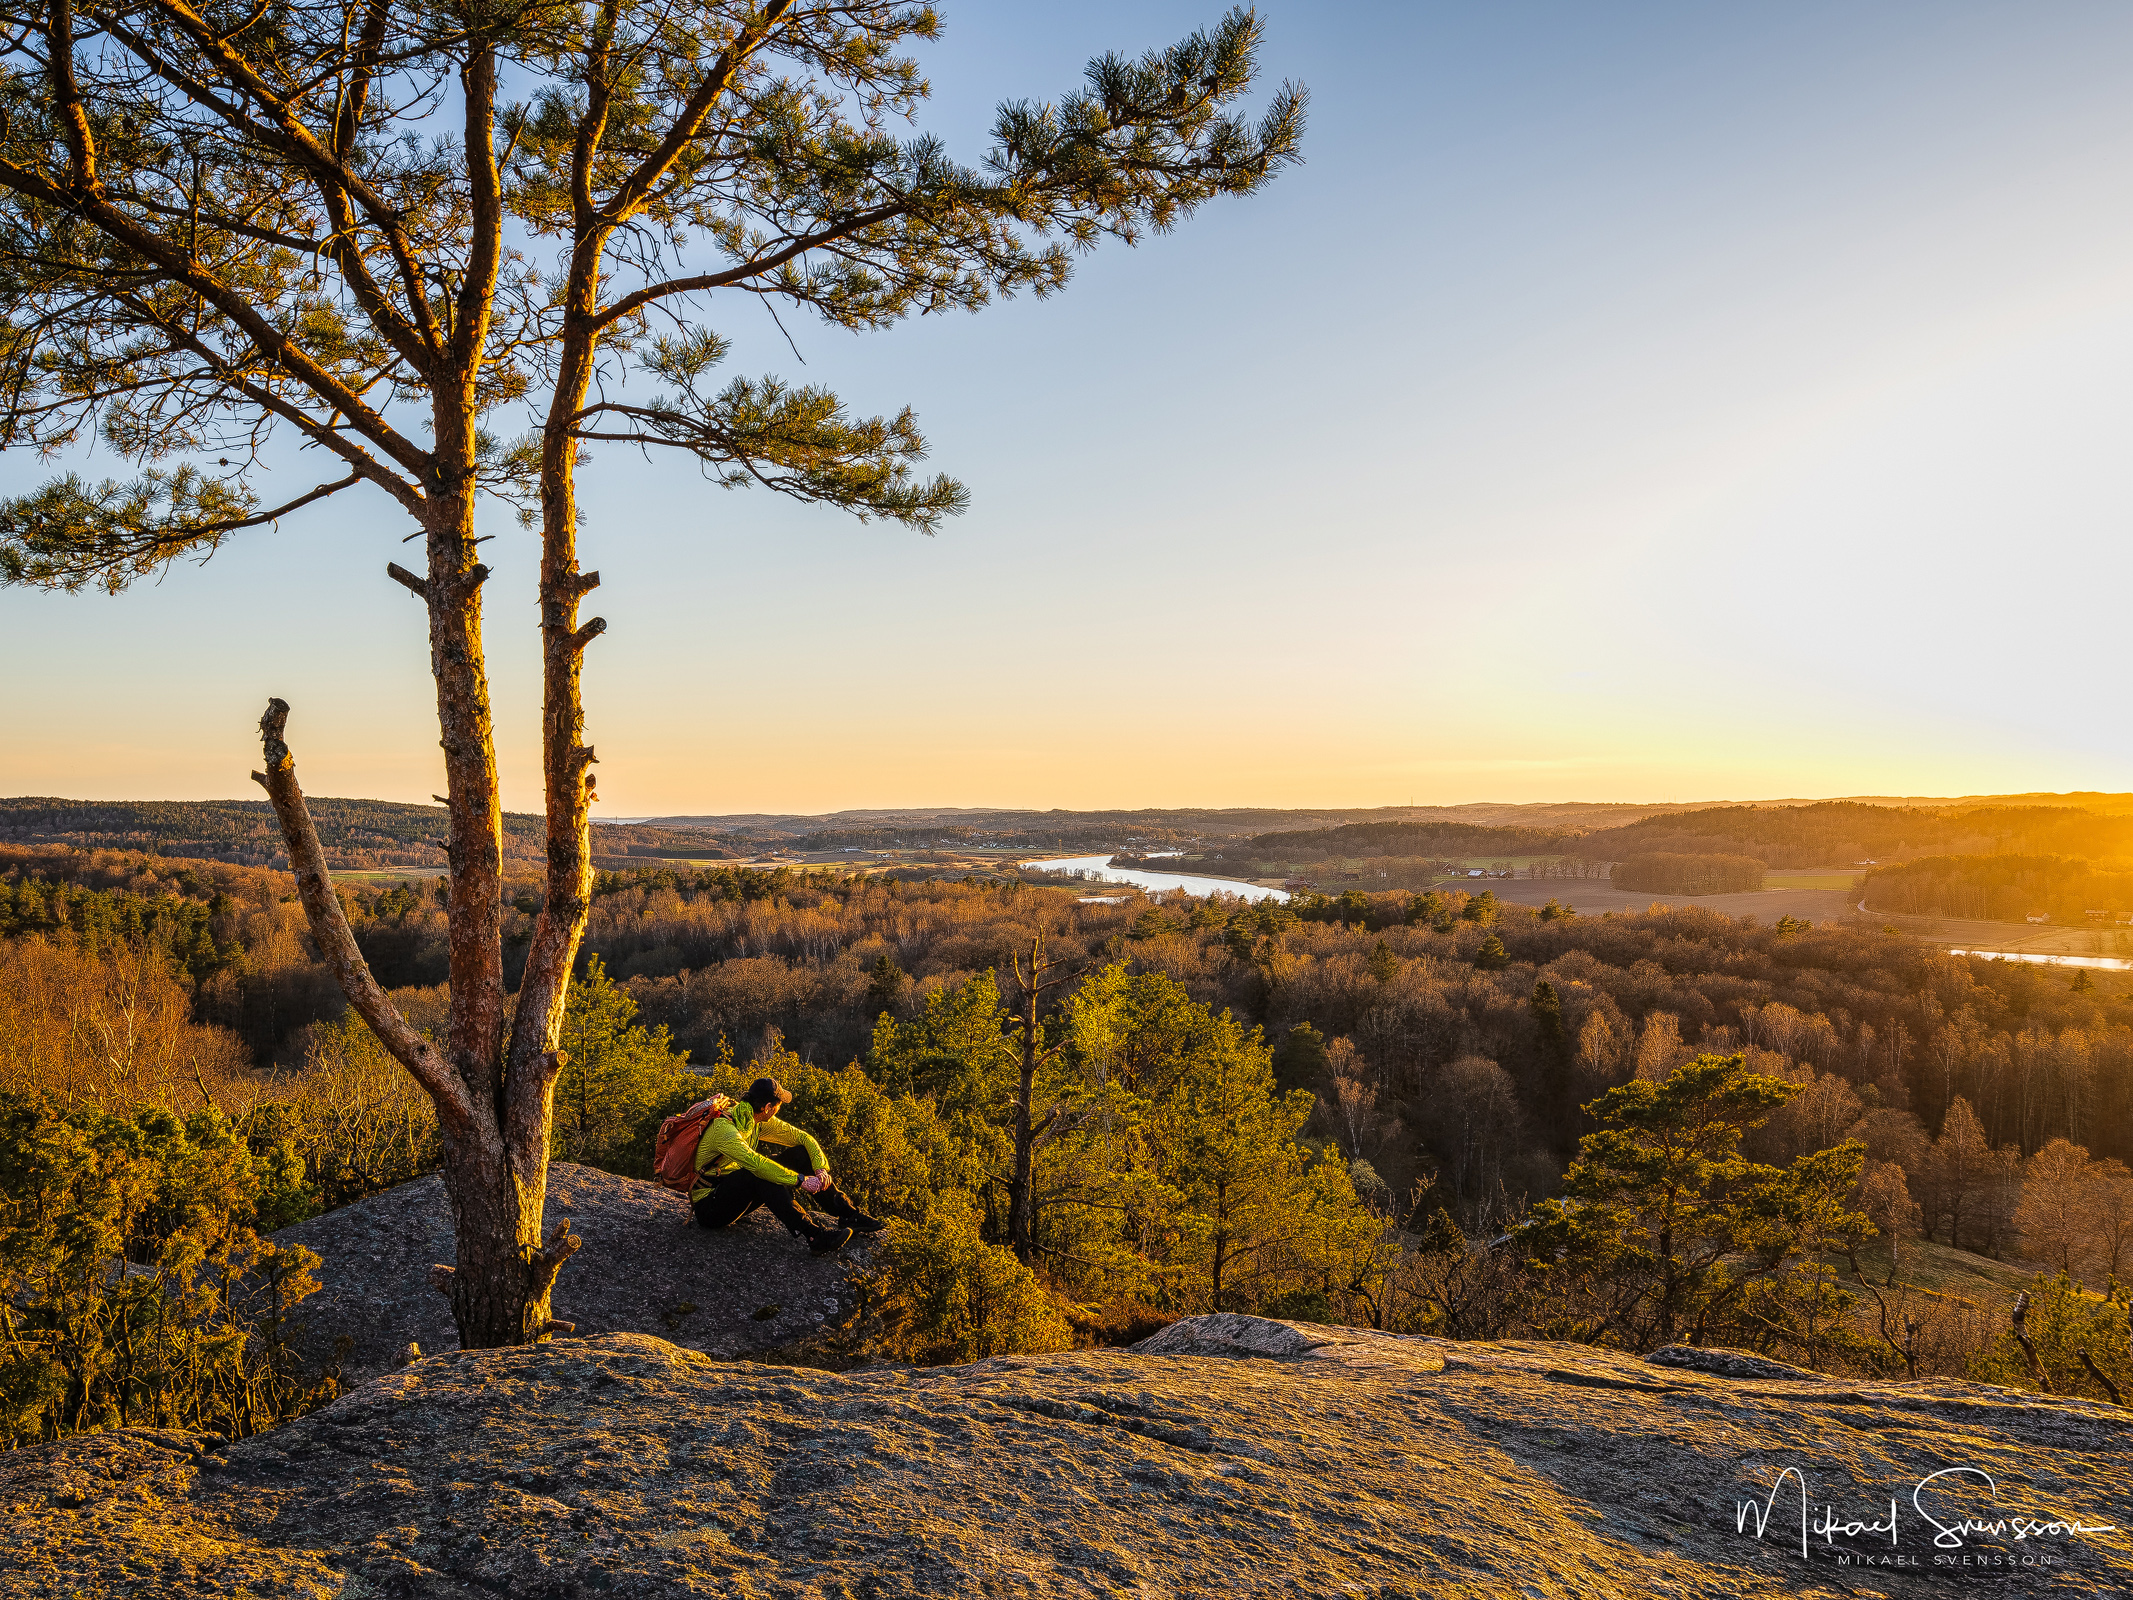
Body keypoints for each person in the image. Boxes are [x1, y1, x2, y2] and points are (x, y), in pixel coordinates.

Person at [690, 1076, 886, 1255]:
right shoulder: (724, 1129)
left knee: (799, 1154)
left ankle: (847, 1213)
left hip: (734, 1193)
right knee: (760, 1173)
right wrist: (799, 1180)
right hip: (710, 1208)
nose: (779, 1109)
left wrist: (820, 1168)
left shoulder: (754, 1119)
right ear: (768, 1107)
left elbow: (803, 1138)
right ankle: (814, 1235)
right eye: (778, 1105)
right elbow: (757, 1165)